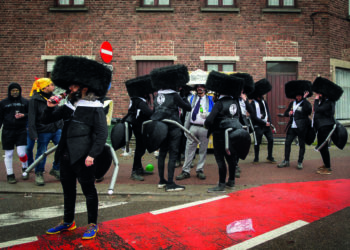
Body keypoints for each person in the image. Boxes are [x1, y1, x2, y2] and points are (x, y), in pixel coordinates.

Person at [43, 56, 111, 239]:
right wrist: (49, 107)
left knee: (89, 191)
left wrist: (92, 155)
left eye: (73, 86)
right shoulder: (70, 105)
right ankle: (68, 222)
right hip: (65, 155)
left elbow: (102, 134)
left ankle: (92, 224)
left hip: (84, 157)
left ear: (85, 87)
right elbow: (46, 120)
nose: (70, 89)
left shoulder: (96, 107)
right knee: (68, 190)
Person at [149, 64, 191, 192]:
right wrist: (184, 96)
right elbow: (188, 107)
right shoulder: (174, 95)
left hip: (160, 127)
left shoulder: (157, 96)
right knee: (173, 154)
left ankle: (162, 180)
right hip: (173, 127)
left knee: (162, 154)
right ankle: (171, 183)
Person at [204, 71, 245, 192]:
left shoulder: (219, 103)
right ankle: (231, 181)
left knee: (220, 159)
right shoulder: (235, 102)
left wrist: (206, 124)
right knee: (231, 159)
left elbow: (210, 120)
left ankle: (221, 184)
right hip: (233, 134)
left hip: (220, 135)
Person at [176, 69, 214, 181]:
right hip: (192, 127)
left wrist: (207, 115)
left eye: (202, 86)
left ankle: (200, 170)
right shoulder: (191, 98)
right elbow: (187, 113)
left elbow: (214, 113)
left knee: (203, 150)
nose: (199, 88)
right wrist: (185, 129)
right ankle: (185, 171)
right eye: (198, 86)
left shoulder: (210, 99)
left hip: (204, 128)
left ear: (205, 88)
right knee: (189, 150)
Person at [28, 78, 63, 185]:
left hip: (56, 129)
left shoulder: (54, 97)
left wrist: (61, 125)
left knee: (62, 149)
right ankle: (39, 173)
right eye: (51, 85)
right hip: (43, 130)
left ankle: (56, 169)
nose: (54, 86)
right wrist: (33, 133)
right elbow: (32, 117)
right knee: (42, 152)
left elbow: (57, 111)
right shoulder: (35, 100)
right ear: (44, 87)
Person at [122, 75, 154, 181]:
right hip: (139, 128)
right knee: (140, 149)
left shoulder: (136, 100)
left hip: (140, 127)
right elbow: (148, 112)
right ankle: (134, 171)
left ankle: (139, 168)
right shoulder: (138, 101)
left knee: (141, 148)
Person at [277, 80, 312, 170]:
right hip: (292, 127)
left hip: (301, 127)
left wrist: (305, 99)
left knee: (301, 145)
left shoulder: (305, 103)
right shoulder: (293, 103)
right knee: (287, 143)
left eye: (300, 95)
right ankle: (286, 161)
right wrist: (288, 113)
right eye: (297, 95)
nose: (298, 97)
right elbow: (286, 113)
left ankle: (300, 162)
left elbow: (308, 111)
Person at [312, 77, 343, 175]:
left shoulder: (329, 102)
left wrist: (316, 100)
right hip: (321, 127)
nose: (318, 95)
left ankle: (328, 167)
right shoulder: (325, 101)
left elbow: (317, 109)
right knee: (322, 147)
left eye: (319, 93)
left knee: (323, 147)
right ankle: (326, 164)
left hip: (325, 127)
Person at [0, 82, 29, 184]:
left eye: (17, 91)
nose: (15, 93)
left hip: (21, 130)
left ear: (20, 91)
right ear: (9, 91)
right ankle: (10, 174)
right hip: (8, 131)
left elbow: (30, 114)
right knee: (9, 154)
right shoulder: (3, 103)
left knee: (21, 153)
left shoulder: (25, 102)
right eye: (13, 91)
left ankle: (25, 168)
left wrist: (23, 115)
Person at [231, 72, 255, 178]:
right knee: (234, 147)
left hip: (243, 125)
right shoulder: (232, 99)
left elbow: (252, 111)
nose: (241, 90)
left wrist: (246, 101)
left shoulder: (244, 99)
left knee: (240, 147)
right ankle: (234, 166)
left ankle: (235, 163)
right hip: (234, 125)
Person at [248, 79, 276, 164]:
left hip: (266, 125)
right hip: (258, 126)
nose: (262, 96)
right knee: (258, 142)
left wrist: (270, 122)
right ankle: (256, 158)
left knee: (271, 140)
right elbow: (253, 117)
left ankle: (270, 156)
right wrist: (264, 123)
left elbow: (268, 112)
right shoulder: (252, 104)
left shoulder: (264, 102)